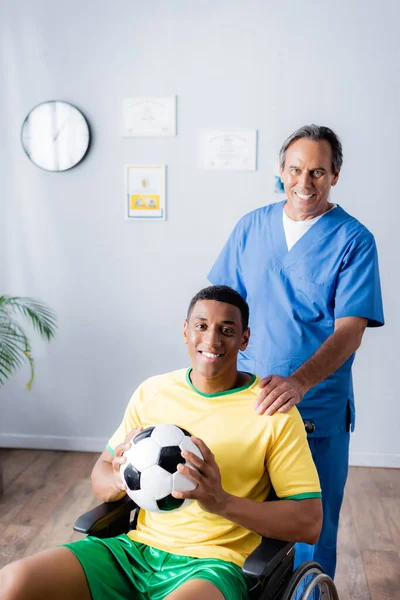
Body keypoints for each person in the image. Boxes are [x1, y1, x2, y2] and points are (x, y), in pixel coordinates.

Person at [0, 285, 322, 600]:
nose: (211, 339)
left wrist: (221, 501)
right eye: (201, 326)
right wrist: (117, 477)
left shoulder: (272, 411)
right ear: (185, 331)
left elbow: (309, 522)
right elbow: (100, 475)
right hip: (136, 553)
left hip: (215, 566)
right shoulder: (152, 392)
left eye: (226, 329)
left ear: (244, 338)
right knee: (12, 582)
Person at [208, 125, 385, 580]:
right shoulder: (251, 226)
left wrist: (300, 381)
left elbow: (350, 330)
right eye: (295, 169)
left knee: (311, 527)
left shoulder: (354, 240)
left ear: (336, 175)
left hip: (315, 407)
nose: (304, 183)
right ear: (280, 171)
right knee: (240, 518)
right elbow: (222, 303)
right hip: (246, 402)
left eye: (318, 172)